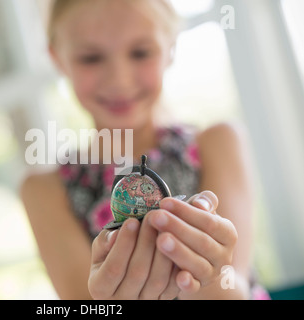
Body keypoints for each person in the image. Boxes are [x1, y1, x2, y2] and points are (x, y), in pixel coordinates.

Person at [21, 0, 268, 300]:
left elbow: (233, 291)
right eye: (90, 57)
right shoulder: (44, 190)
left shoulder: (219, 142)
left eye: (140, 53)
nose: (119, 79)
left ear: (171, 48)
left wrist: (208, 276)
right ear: (57, 59)